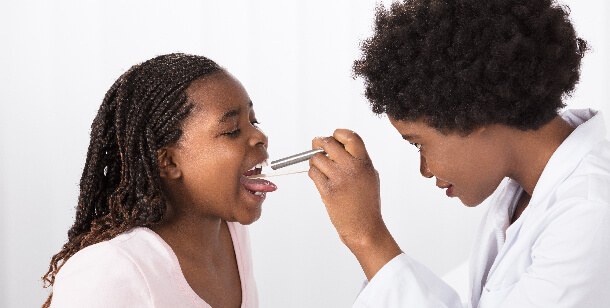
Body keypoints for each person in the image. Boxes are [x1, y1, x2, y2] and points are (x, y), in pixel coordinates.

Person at [308, 0, 610, 306]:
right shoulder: (529, 191)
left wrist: (366, 235)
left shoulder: (590, 211)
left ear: (474, 116)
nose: (424, 169)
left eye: (418, 143)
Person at [41, 53, 276, 307]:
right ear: (168, 162)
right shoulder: (109, 273)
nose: (259, 136)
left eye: (254, 121)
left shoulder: (232, 233)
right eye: (232, 130)